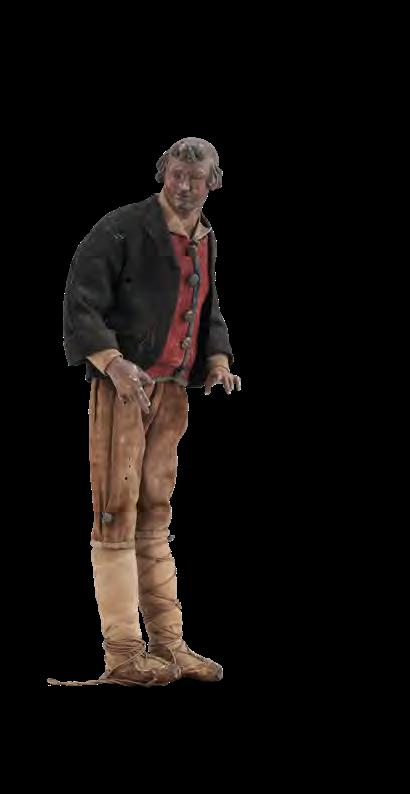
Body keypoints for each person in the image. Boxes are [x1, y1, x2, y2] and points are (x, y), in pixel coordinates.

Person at [48, 137, 241, 687]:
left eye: (195, 178)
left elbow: (207, 309)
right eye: (176, 174)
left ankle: (169, 644)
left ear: (213, 183)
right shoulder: (122, 227)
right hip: (125, 390)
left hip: (172, 392)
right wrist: (112, 363)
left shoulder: (204, 239)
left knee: (156, 512)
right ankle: (123, 653)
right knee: (116, 512)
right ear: (163, 173)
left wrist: (217, 360)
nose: (184, 186)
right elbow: (80, 301)